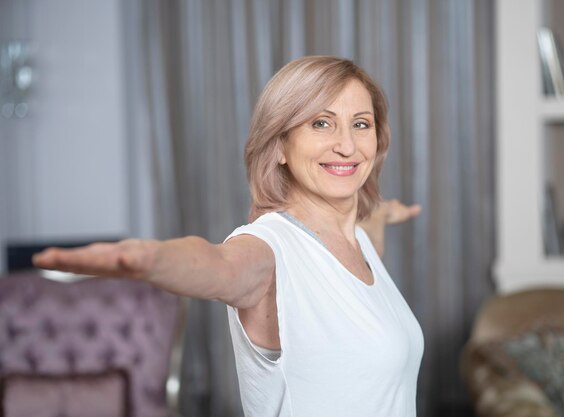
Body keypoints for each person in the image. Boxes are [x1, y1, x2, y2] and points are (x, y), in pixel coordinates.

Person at [33, 56, 424, 417]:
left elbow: (361, 258)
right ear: (280, 145)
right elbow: (217, 265)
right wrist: (148, 260)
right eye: (320, 123)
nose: (347, 144)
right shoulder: (270, 248)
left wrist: (382, 216)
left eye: (361, 123)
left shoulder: (360, 242)